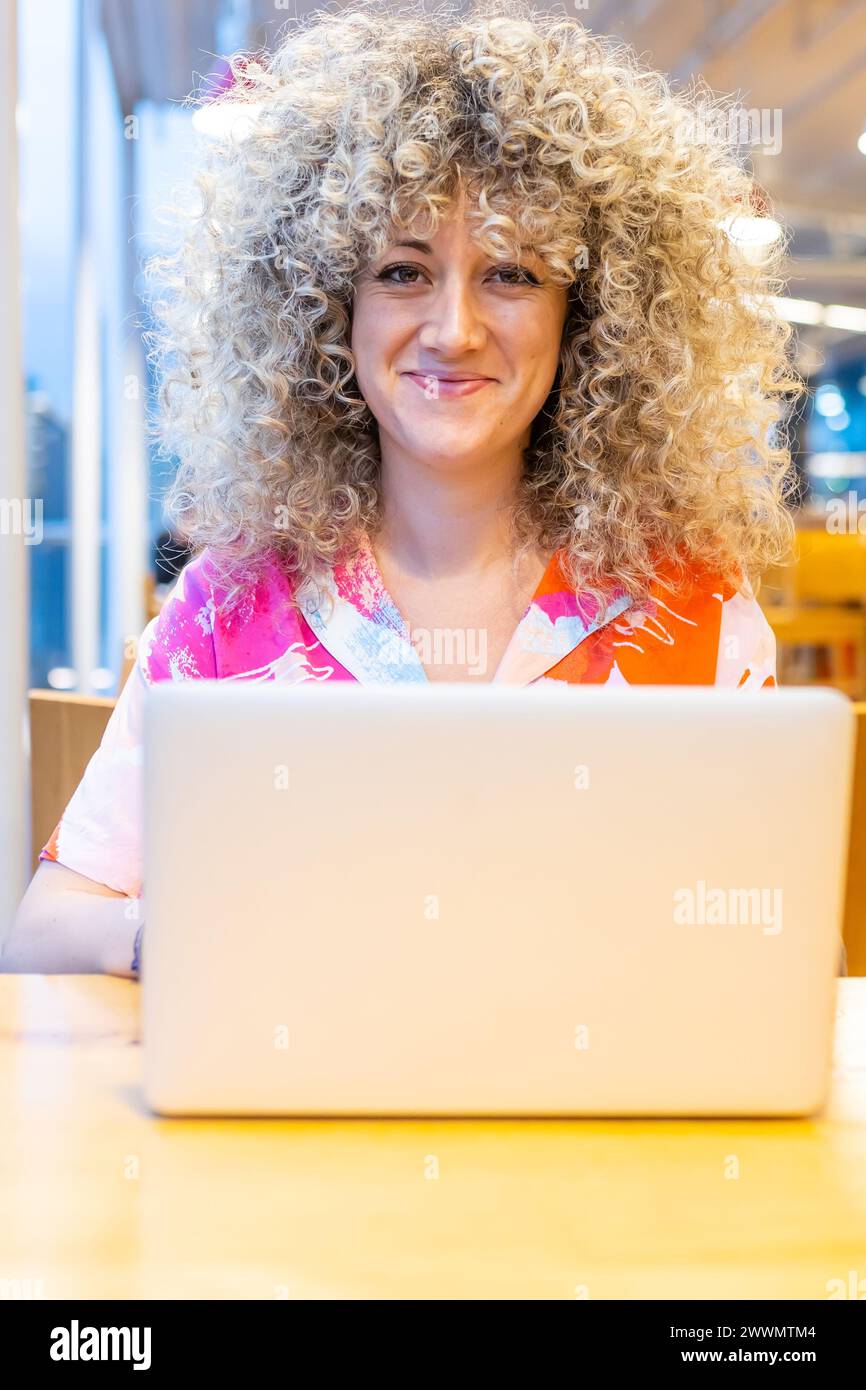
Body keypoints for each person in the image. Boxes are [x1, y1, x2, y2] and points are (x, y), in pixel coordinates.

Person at [2, 0, 796, 979]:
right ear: (331, 308)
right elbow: (44, 923)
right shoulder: (227, 607)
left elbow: (782, 934)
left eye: (508, 271)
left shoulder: (691, 602)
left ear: (582, 316)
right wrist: (169, 937)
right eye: (402, 270)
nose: (453, 329)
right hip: (291, 1118)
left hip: (598, 1120)